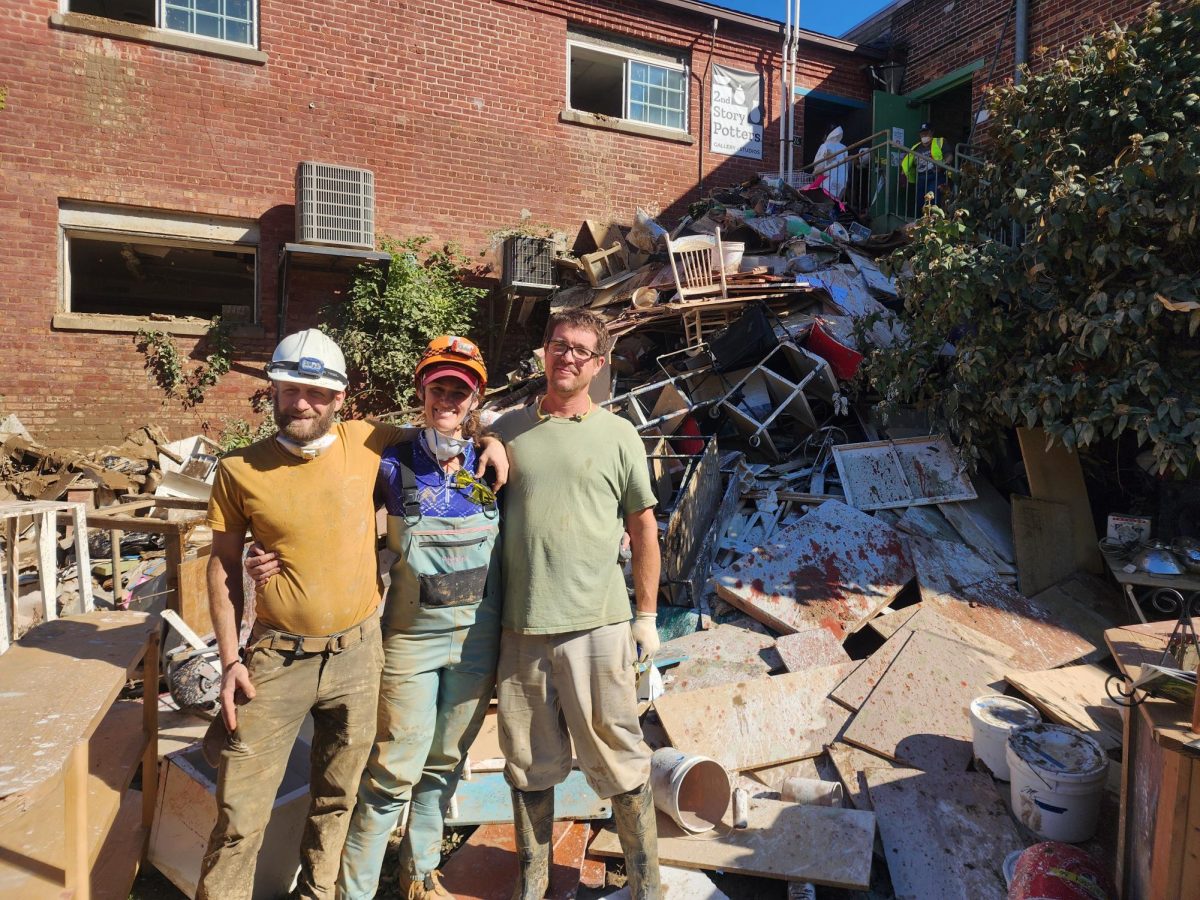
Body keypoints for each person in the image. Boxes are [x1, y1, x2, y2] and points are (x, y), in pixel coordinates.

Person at [198, 329, 505, 900]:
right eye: (291, 389)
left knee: (339, 796)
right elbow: (219, 565)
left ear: (340, 398)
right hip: (277, 659)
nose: (302, 403)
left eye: (316, 392)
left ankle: (325, 893)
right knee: (241, 816)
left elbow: (448, 428)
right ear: (274, 391)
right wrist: (230, 658)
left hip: (360, 656)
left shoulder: (370, 444)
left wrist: (494, 442)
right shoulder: (239, 469)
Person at [491, 308, 662, 900]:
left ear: (599, 363)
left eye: (581, 350)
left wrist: (646, 617)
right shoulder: (508, 430)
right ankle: (533, 886)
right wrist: (485, 435)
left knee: (621, 760)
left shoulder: (618, 436)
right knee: (527, 764)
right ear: (544, 351)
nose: (567, 356)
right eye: (558, 344)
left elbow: (644, 529)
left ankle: (646, 887)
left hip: (599, 626)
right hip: (522, 628)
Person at [334, 337, 502, 899]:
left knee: (446, 761)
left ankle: (419, 874)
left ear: (475, 397)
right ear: (422, 393)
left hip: (477, 639)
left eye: (460, 388)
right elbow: (332, 513)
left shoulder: (493, 461)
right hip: (410, 638)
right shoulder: (389, 463)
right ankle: (354, 890)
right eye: (438, 387)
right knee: (394, 768)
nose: (447, 397)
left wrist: (496, 438)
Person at [901, 122, 947, 211]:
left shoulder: (939, 142)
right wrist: (903, 175)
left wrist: (943, 164)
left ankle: (932, 221)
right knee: (920, 201)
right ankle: (920, 221)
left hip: (935, 175)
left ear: (931, 132)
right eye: (922, 133)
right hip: (921, 177)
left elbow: (949, 155)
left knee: (932, 199)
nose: (924, 135)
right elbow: (906, 162)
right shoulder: (915, 147)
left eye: (926, 132)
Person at [813, 125, 849, 200]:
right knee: (836, 202)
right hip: (842, 181)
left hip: (827, 181)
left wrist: (815, 173)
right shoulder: (844, 148)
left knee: (825, 203)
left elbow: (819, 165)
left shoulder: (825, 146)